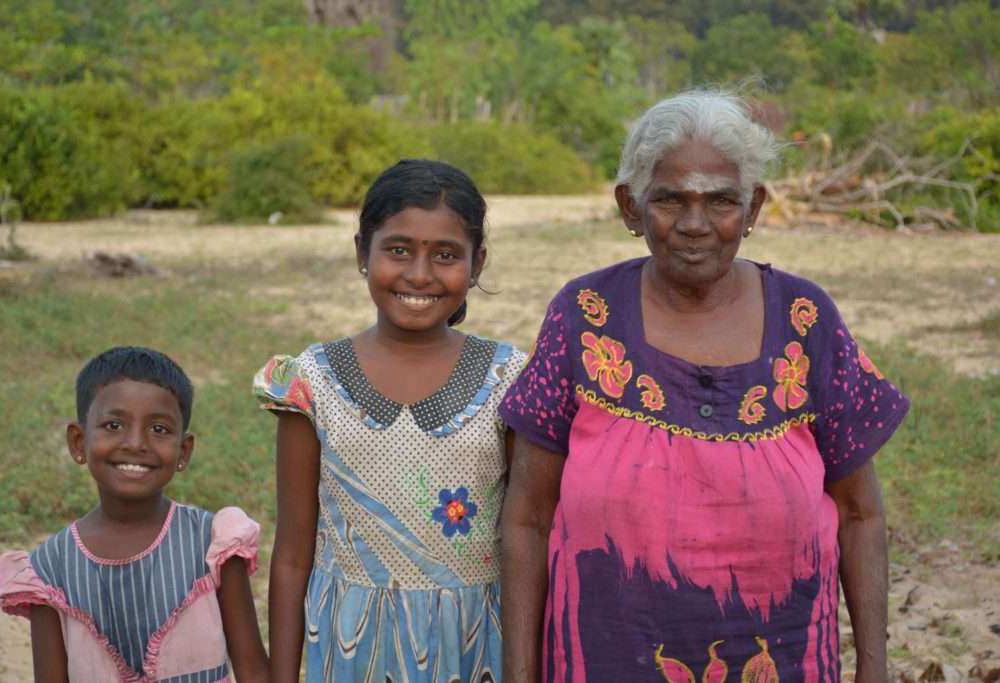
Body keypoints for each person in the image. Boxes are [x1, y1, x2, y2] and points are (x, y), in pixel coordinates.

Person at [499, 90, 909, 683]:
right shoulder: (584, 315)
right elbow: (528, 517)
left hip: (784, 659)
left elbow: (860, 515)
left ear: (754, 208)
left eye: (721, 200)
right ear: (630, 207)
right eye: (669, 199)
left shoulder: (805, 318)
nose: (694, 225)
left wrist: (873, 670)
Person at [254, 159, 526, 682]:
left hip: (473, 645)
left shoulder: (508, 379)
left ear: (477, 264)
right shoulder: (312, 381)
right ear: (362, 251)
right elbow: (291, 554)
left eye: (445, 255)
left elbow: (524, 536)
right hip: (350, 647)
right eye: (398, 249)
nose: (419, 274)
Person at [0, 346, 269, 682]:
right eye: (114, 425)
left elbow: (254, 670)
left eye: (159, 430)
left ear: (184, 451)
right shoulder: (50, 571)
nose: (136, 442)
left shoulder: (213, 546)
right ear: (78, 442)